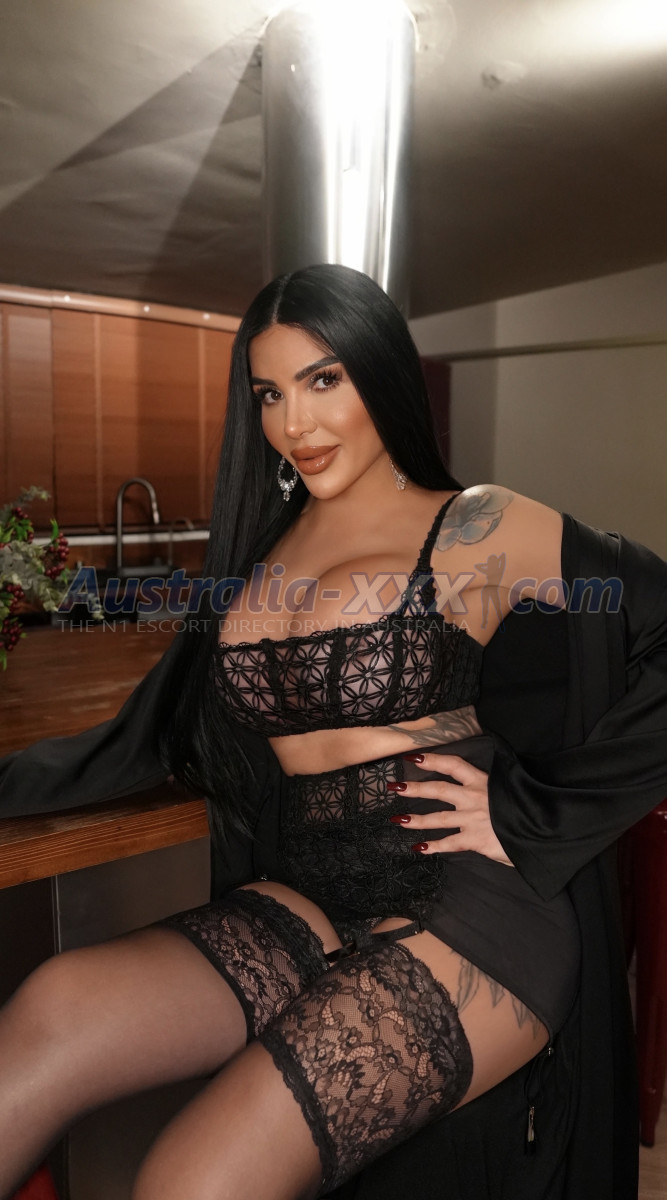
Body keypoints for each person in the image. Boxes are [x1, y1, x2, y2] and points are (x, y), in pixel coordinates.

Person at [0, 264, 666, 1200]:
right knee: (55, 1006)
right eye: (269, 393)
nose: (295, 423)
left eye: (323, 380)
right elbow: (151, 732)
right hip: (310, 891)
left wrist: (530, 808)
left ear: (379, 373)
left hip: (474, 911)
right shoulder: (256, 547)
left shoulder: (476, 527)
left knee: (190, 1181)